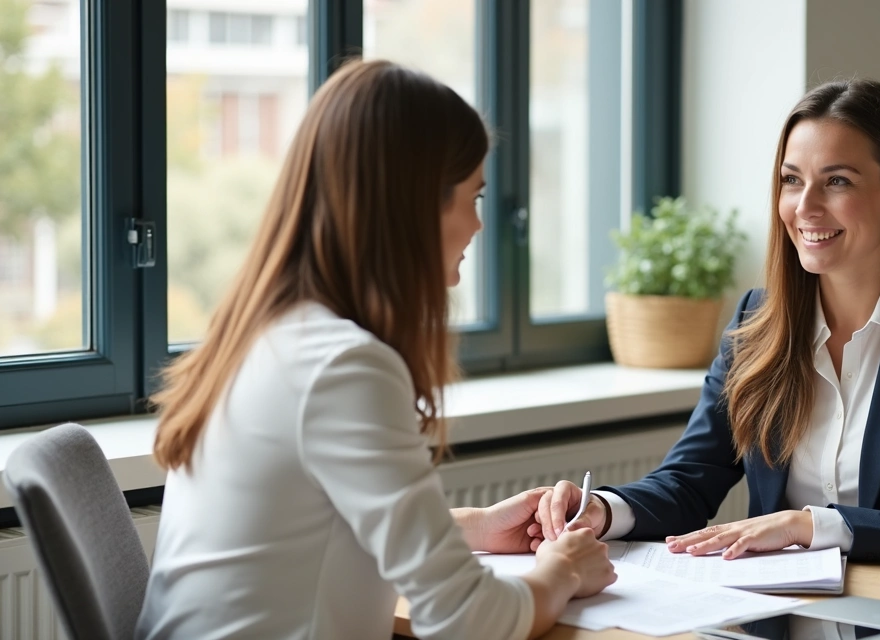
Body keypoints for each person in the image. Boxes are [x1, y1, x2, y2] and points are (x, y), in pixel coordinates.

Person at [136, 59, 615, 640]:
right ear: (413, 207)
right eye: (473, 197)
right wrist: (560, 572)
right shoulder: (343, 367)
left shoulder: (268, 337)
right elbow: (466, 620)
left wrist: (480, 527)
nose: (477, 226)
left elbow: (319, 521)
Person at [533, 79, 880, 574]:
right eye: (792, 180)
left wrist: (812, 526)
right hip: (783, 617)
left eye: (837, 181)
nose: (805, 206)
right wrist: (598, 509)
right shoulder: (757, 320)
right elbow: (689, 480)